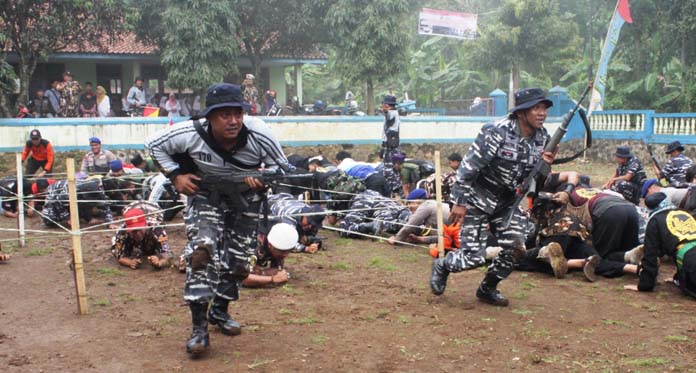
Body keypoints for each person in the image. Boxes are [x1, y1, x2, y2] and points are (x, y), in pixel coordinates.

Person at [146, 83, 292, 357]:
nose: (234, 120)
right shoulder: (189, 132)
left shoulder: (260, 132)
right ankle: (199, 328)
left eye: (238, 113)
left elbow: (281, 167)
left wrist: (261, 178)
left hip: (245, 199)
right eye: (224, 114)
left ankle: (220, 310)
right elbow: (153, 145)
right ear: (209, 117)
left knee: (239, 262)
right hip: (206, 196)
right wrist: (176, 175)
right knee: (202, 252)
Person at [429, 88, 556, 307]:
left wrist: (545, 166)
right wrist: (459, 202)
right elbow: (468, 168)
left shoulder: (543, 138)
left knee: (516, 249)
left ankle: (487, 288)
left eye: (544, 108)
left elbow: (534, 179)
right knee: (472, 258)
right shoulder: (496, 131)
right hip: (478, 200)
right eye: (536, 108)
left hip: (507, 202)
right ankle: (443, 265)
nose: (542, 113)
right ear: (521, 112)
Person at [624, 192, 696, 299]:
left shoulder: (655, 221)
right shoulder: (684, 213)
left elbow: (650, 255)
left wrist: (645, 285)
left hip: (691, 261)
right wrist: (678, 279)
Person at [111, 203, 172, 270]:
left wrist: (159, 263)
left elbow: (168, 255)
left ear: (145, 225)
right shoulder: (122, 232)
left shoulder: (158, 230)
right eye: (134, 231)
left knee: (150, 248)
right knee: (116, 246)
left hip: (154, 209)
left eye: (139, 229)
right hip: (130, 208)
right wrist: (130, 262)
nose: (138, 234)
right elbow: (120, 256)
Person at [242, 223, 298, 287]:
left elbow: (276, 269)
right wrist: (271, 279)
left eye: (289, 250)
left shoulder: (277, 237)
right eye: (282, 251)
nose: (285, 255)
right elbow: (242, 278)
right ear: (270, 245)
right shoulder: (253, 247)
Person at [338, 190, 411, 238]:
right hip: (393, 205)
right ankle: (413, 225)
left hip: (373, 205)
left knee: (345, 228)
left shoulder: (359, 202)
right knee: (408, 217)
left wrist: (369, 226)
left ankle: (371, 226)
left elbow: (339, 226)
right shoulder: (368, 190)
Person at [380, 94, 403, 197]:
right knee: (392, 170)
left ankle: (397, 191)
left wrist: (385, 111)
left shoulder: (392, 113)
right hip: (389, 146)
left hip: (391, 147)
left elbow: (388, 115)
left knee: (389, 171)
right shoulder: (393, 113)